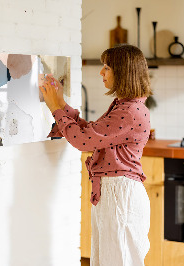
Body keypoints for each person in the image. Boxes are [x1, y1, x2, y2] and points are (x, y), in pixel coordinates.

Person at [40, 44, 152, 266]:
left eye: (107, 67)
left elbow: (83, 141)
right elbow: (91, 133)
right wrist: (61, 104)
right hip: (115, 193)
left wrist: (55, 108)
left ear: (123, 72)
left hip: (120, 195)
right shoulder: (125, 106)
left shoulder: (129, 111)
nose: (101, 72)